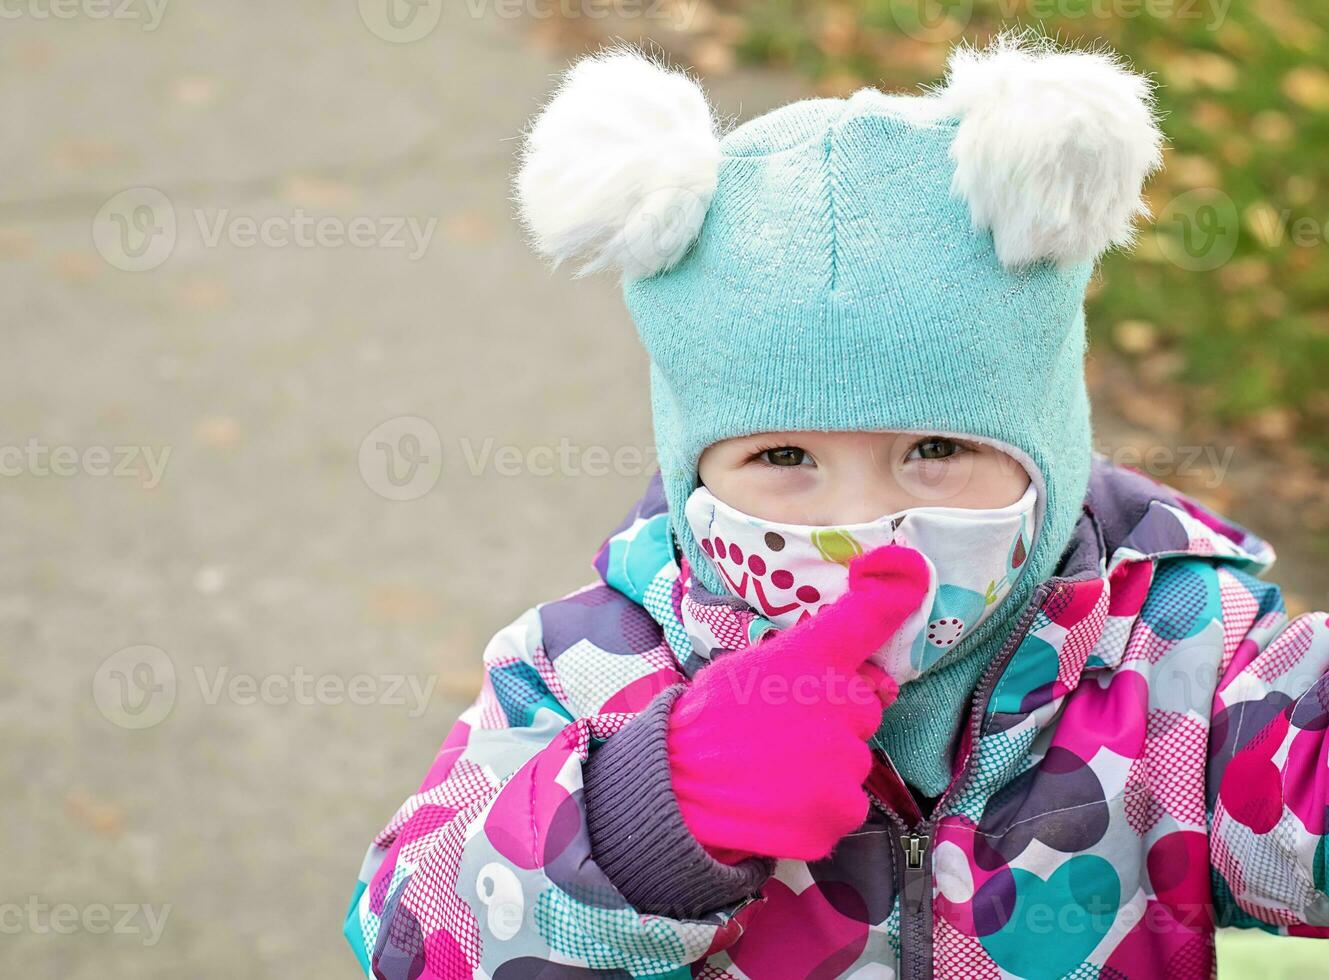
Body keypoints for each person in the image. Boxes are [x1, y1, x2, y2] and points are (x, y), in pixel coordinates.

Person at [345, 34, 1329, 979]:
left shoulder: (1185, 659)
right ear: (695, 469)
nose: (864, 531)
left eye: (935, 449)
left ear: (1051, 445)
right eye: (783, 456)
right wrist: (651, 814)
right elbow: (408, 936)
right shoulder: (590, 673)